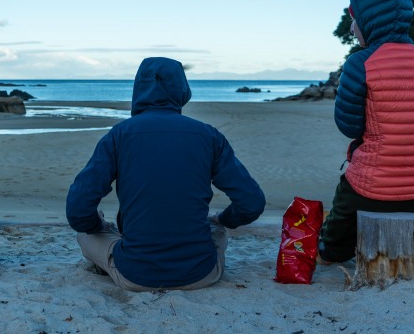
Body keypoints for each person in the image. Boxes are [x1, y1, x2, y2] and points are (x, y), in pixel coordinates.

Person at [66, 57, 266, 291]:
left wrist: (98, 225)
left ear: (139, 88)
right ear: (182, 89)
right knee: (217, 229)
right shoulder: (208, 136)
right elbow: (251, 203)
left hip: (135, 275)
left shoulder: (119, 135)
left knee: (85, 236)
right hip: (202, 274)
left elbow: (77, 210)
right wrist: (222, 219)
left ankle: (111, 257)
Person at [317, 0, 414, 264]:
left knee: (336, 233)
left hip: (371, 189)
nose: (352, 28)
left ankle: (330, 252)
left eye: (354, 20)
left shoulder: (360, 63)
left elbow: (350, 128)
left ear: (369, 20)